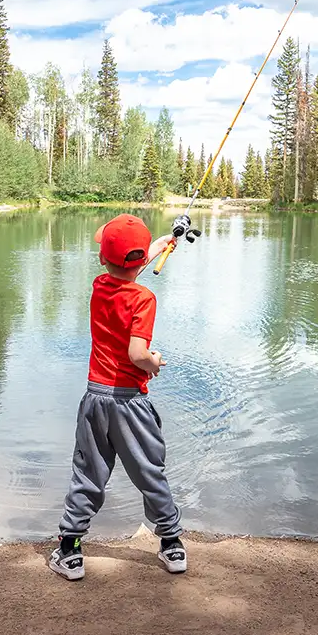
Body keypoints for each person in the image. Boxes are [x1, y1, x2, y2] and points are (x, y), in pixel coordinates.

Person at [49, 213, 186, 580]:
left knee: (88, 474)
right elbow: (137, 354)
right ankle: (171, 544)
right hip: (131, 402)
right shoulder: (144, 299)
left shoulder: (99, 286)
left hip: (96, 398)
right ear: (141, 263)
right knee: (149, 472)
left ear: (102, 259)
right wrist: (153, 362)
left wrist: (161, 243)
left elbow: (124, 267)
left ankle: (70, 551)